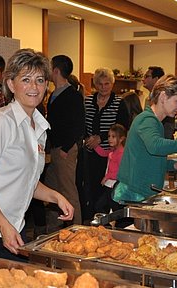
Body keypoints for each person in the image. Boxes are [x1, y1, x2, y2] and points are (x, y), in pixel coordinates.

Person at [0, 49, 74, 264]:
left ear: (47, 85)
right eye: (25, 80)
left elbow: (26, 181)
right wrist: (3, 225)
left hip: (12, 229)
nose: (34, 87)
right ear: (11, 84)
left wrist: (56, 197)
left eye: (39, 80)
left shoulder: (39, 127)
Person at [114, 75, 177, 202]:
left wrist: (176, 165)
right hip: (134, 191)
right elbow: (155, 146)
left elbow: (151, 159)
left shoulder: (155, 122)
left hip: (142, 190)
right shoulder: (147, 120)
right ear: (163, 96)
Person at [44, 55, 85, 229]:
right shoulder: (54, 93)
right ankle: (53, 229)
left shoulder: (72, 95)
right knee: (52, 190)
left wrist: (66, 148)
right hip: (55, 148)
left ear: (56, 70)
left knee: (69, 190)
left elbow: (79, 125)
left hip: (65, 149)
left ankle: (77, 229)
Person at [81, 67, 121, 223]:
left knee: (105, 188)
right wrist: (87, 139)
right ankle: (91, 218)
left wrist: (101, 138)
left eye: (107, 84)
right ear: (95, 85)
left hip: (109, 153)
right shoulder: (88, 101)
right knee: (89, 186)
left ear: (112, 84)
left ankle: (104, 218)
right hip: (90, 152)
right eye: (100, 84)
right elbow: (82, 123)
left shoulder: (119, 102)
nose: (104, 87)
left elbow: (121, 127)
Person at [94, 124, 126, 215]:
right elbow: (104, 153)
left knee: (114, 209)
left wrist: (107, 176)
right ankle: (107, 225)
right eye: (109, 136)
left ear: (121, 139)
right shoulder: (113, 150)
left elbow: (121, 172)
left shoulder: (121, 153)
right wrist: (94, 146)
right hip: (110, 186)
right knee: (101, 206)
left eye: (113, 137)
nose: (110, 139)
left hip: (115, 186)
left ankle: (115, 225)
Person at [142, 66, 174, 139]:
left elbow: (168, 126)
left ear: (156, 79)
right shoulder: (147, 98)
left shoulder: (164, 99)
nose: (143, 79)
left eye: (147, 76)